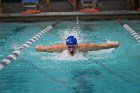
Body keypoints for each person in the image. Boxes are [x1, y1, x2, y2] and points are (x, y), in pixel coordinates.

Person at [35, 36, 119, 56]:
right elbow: (44, 48)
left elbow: (102, 46)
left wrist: (114, 45)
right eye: (69, 46)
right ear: (66, 46)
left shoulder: (85, 47)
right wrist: (38, 48)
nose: (71, 48)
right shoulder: (59, 48)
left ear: (77, 45)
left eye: (73, 46)